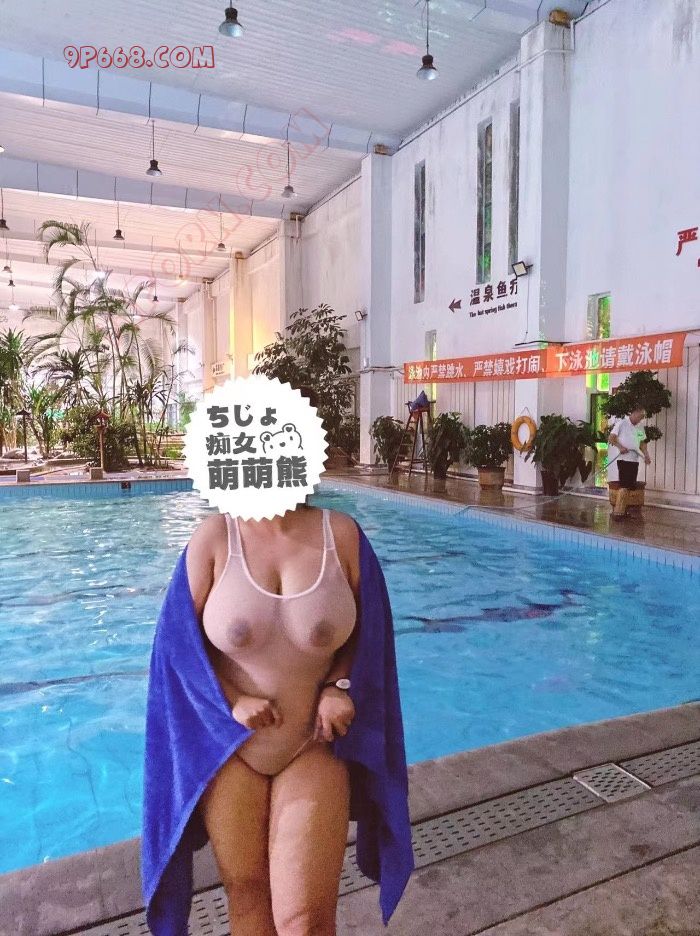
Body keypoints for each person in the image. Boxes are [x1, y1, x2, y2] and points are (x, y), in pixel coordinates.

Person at [141, 388, 413, 936]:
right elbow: (177, 652)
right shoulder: (214, 539)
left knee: (306, 920)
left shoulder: (341, 536)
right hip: (232, 748)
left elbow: (372, 638)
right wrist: (231, 700)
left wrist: (340, 685)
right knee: (247, 901)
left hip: (313, 743)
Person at [608, 405, 651, 520]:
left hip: (634, 459)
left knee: (630, 485)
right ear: (634, 413)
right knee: (625, 485)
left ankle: (622, 511)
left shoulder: (640, 427)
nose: (641, 419)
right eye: (640, 416)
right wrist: (620, 447)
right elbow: (611, 438)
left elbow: (642, 443)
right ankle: (618, 513)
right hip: (624, 459)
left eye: (643, 417)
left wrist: (646, 455)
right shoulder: (622, 423)